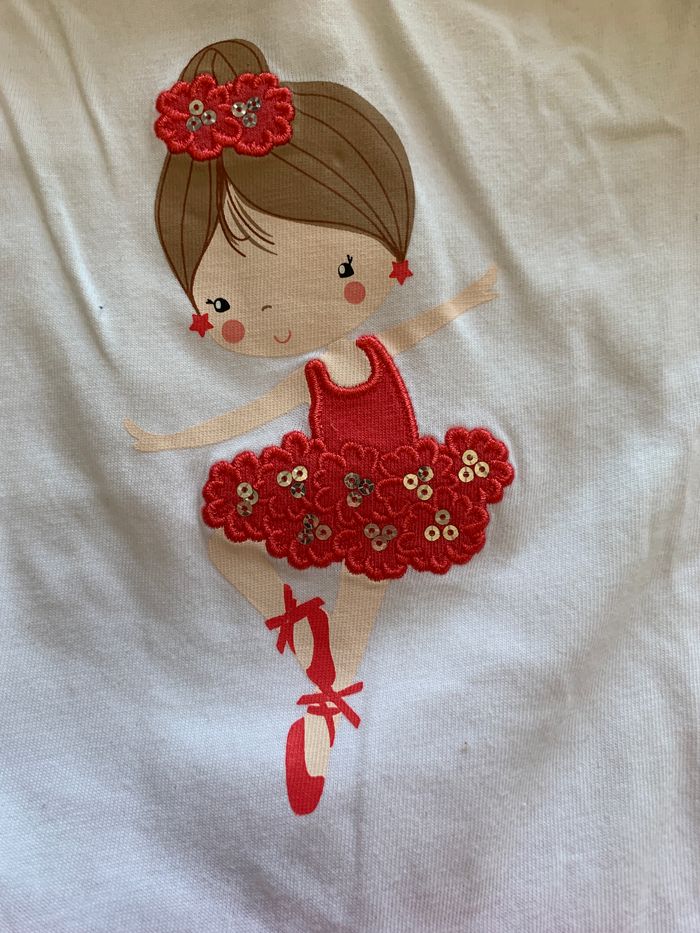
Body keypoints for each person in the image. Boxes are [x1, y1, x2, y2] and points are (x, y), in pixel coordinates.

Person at [125, 38, 514, 815]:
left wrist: (473, 294)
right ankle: (301, 633)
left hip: (398, 495)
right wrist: (170, 442)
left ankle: (326, 712)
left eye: (338, 267)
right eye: (224, 303)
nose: (271, 313)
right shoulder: (308, 376)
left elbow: (428, 320)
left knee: (360, 611)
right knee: (224, 532)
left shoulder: (373, 349)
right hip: (329, 494)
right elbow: (245, 416)